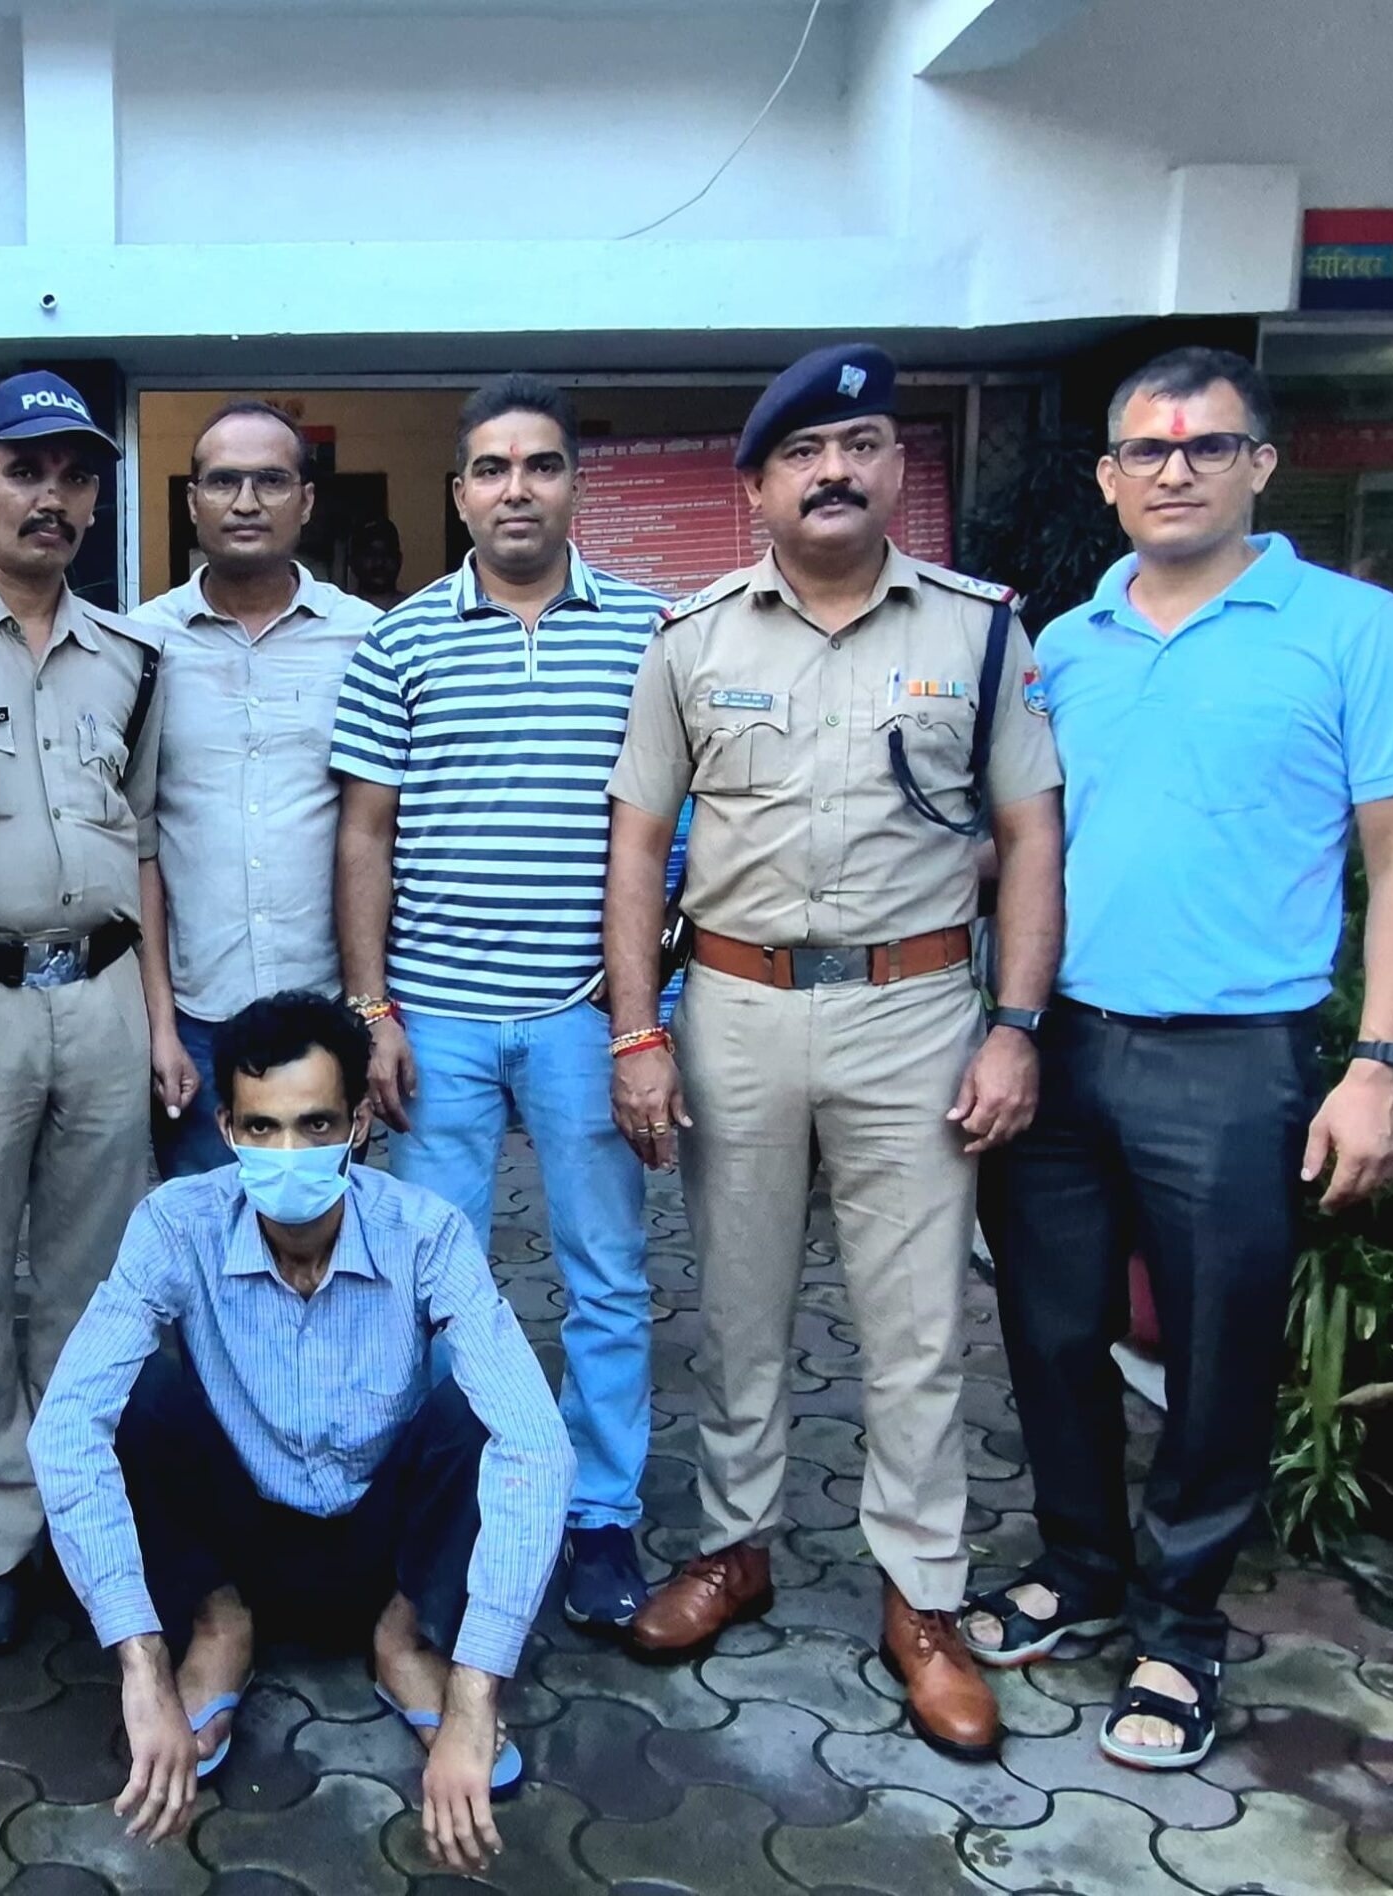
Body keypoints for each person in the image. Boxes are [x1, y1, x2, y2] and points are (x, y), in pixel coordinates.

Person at [968, 346, 1393, 1772]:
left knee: (1217, 1352)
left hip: (1235, 1058)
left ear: (1261, 465)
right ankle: (1080, 1567)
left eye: (1207, 445)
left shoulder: (1350, 628)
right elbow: (1014, 844)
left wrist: (1379, 1064)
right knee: (1051, 1333)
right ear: (1108, 478)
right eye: (1148, 449)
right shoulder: (1061, 645)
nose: (1174, 469)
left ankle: (1180, 1631)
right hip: (1057, 1043)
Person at [604, 343, 1065, 1764]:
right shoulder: (691, 641)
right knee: (737, 1309)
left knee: (916, 1327)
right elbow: (635, 841)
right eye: (802, 453)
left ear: (896, 470)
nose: (833, 471)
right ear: (755, 488)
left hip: (914, 1015)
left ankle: (921, 1598)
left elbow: (1032, 836)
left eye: (860, 445)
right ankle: (734, 1547)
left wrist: (1015, 1027)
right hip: (735, 1009)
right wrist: (637, 1030)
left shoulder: (979, 632)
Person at [28, 991, 572, 1876]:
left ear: (359, 1123)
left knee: (484, 1410)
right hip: (240, 1532)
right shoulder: (176, 1223)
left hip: (379, 1537)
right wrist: (141, 1664)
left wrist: (478, 1694)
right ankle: (218, 1626)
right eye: (263, 1127)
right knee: (133, 1397)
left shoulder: (424, 1232)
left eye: (316, 1124)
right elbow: (65, 1428)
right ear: (227, 1129)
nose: (289, 1154)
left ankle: (408, 1639)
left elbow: (536, 1446)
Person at [331, 373, 663, 1632]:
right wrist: (372, 1010)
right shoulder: (400, 640)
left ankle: (599, 1515)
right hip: (438, 1020)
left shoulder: (648, 633)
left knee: (607, 1276)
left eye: (540, 464)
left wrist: (644, 1019)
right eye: (490, 468)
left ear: (574, 483)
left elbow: (671, 826)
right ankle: (451, 1500)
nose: (515, 488)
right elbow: (365, 836)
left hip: (587, 1017)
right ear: (459, 492)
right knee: (432, 1279)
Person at [0, 372, 173, 1651]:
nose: (50, 497)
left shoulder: (131, 660)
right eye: (24, 471)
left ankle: (77, 1513)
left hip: (106, 999)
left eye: (74, 476)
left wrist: (162, 1025)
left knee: (91, 1285)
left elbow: (145, 845)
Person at [133, 400, 378, 1177]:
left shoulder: (368, 639)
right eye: (223, 481)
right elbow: (136, 842)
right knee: (207, 1229)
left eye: (270, 481)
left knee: (329, 1229)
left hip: (331, 1009)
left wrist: (376, 1009)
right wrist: (159, 1024)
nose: (246, 502)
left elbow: (383, 831)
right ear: (192, 500)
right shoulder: (139, 645)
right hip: (197, 1018)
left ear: (306, 500)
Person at [347, 515, 410, 612]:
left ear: (399, 559)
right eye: (370, 554)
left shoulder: (413, 610)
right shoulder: (340, 613)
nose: (379, 562)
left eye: (387, 554)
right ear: (353, 561)